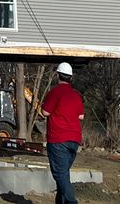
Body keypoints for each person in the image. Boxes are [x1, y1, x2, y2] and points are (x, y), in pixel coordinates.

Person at [40, 61, 84, 204]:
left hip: (58, 139)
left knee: (60, 174)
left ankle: (72, 202)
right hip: (75, 140)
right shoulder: (76, 95)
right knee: (63, 174)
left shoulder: (55, 92)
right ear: (71, 78)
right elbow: (81, 116)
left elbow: (45, 112)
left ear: (57, 75)